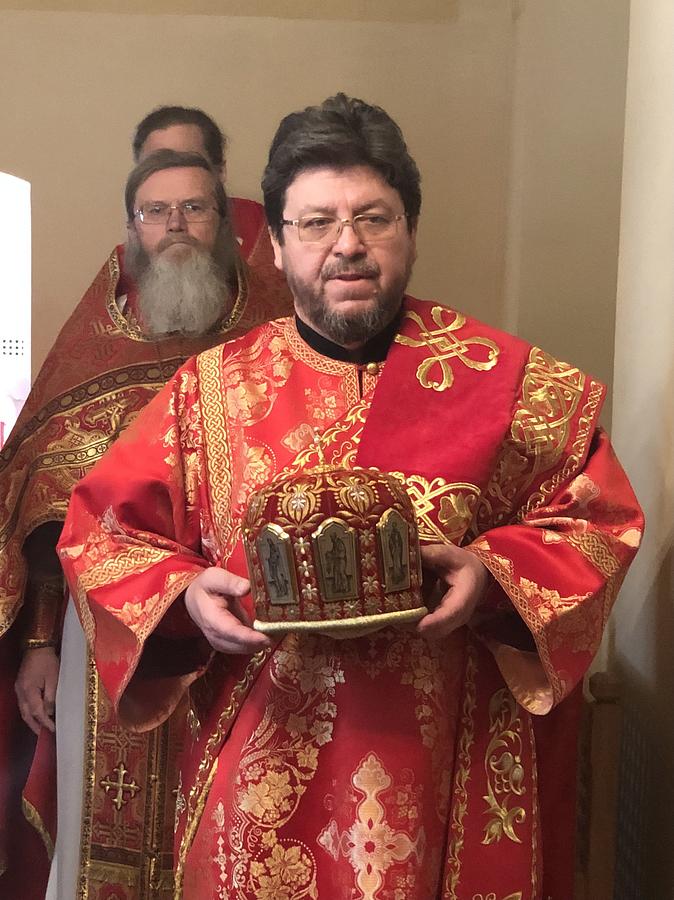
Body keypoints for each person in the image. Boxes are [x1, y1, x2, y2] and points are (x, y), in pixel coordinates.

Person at [58, 94, 643, 899]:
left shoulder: (506, 383)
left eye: (374, 218)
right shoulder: (209, 392)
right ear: (276, 242)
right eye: (316, 223)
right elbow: (103, 534)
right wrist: (185, 594)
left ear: (411, 228)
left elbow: (595, 521)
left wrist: (491, 576)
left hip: (445, 775)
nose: (347, 245)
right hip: (260, 777)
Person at [0, 109, 292, 899]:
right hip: (108, 627)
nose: (175, 224)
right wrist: (39, 642)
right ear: (133, 224)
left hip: (250, 624)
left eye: (193, 207)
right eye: (155, 210)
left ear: (224, 214)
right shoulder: (93, 345)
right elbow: (43, 507)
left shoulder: (277, 326)